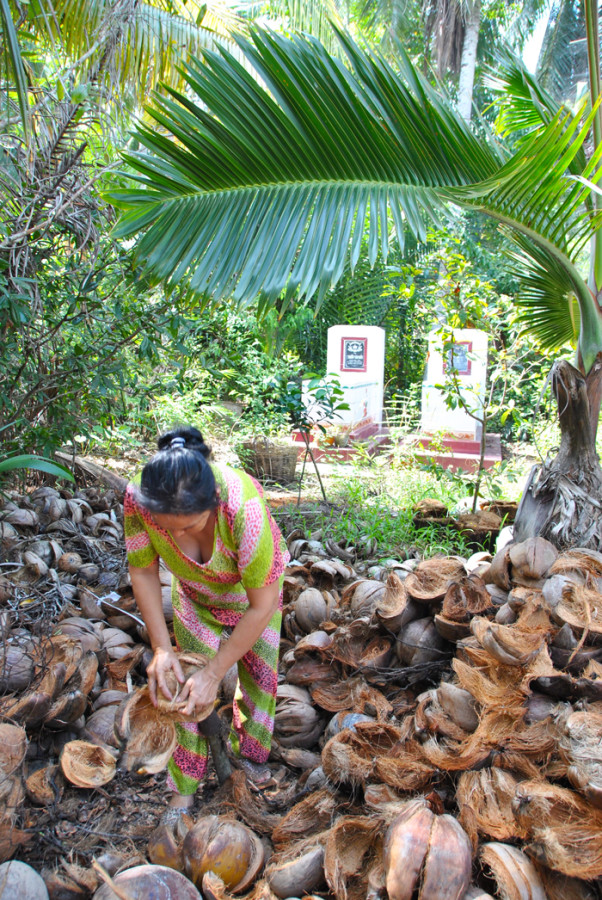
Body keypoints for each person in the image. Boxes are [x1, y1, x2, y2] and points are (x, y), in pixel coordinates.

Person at [123, 426, 289, 824]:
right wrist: (162, 648)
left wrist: (218, 670)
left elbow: (261, 604)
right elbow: (144, 572)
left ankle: (249, 756)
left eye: (190, 526)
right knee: (183, 691)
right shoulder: (137, 499)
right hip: (195, 597)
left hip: (254, 598)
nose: (177, 535)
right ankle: (184, 786)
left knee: (260, 679)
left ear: (213, 503)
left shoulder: (244, 509)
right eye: (168, 527)